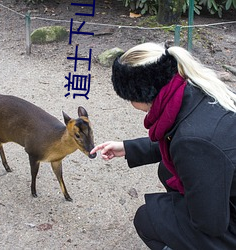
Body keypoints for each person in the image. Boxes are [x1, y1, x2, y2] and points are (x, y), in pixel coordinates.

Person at [90, 42, 236, 250]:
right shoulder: (195, 88)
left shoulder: (193, 142)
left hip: (227, 222)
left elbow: (211, 224)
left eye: (129, 98)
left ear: (141, 93)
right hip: (227, 187)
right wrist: (128, 148)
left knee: (148, 218)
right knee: (167, 170)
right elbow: (180, 139)